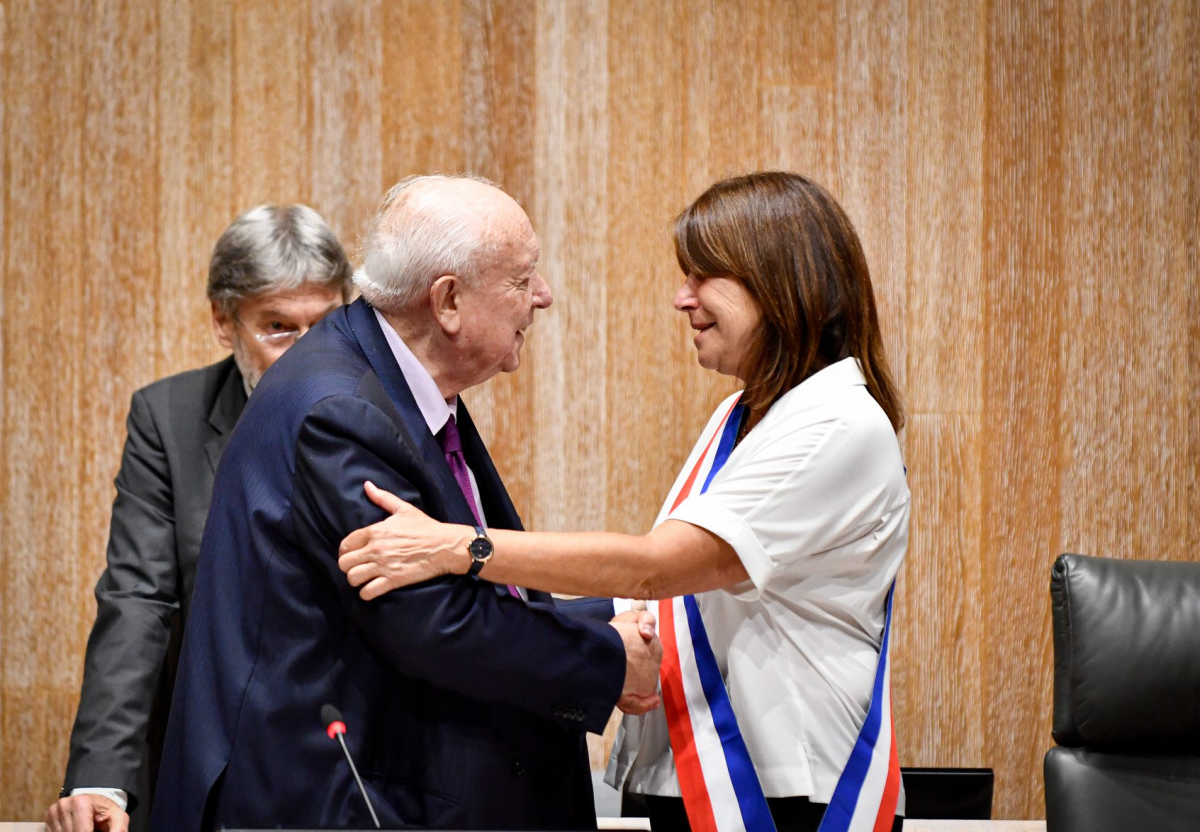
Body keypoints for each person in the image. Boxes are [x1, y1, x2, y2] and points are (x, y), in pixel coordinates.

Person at [339, 171, 910, 832]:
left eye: (703, 276)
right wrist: (598, 641)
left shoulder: (836, 423)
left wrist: (458, 547)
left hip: (787, 788)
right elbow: (674, 602)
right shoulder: (742, 413)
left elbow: (657, 568)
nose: (682, 298)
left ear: (780, 284)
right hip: (703, 774)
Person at [149, 174, 662, 832]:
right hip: (330, 803)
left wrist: (611, 615)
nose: (543, 295)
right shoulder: (341, 410)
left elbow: (459, 588)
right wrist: (607, 657)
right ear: (447, 301)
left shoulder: (386, 380)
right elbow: (433, 622)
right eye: (520, 278)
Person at [44, 205, 354, 832]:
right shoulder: (170, 419)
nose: (307, 354)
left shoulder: (385, 412)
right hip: (217, 762)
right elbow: (137, 601)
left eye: (324, 325)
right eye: (278, 327)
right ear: (223, 321)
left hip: (354, 762)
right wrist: (101, 781)